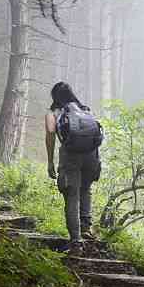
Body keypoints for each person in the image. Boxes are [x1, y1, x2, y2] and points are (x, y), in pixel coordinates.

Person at [45, 82, 101, 253]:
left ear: (55, 97)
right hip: (91, 156)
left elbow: (50, 133)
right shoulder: (85, 109)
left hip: (70, 156)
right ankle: (86, 229)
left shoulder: (53, 112)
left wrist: (50, 161)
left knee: (72, 195)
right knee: (85, 190)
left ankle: (76, 242)